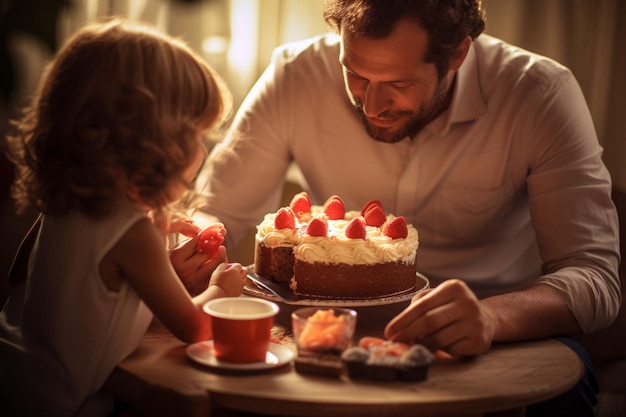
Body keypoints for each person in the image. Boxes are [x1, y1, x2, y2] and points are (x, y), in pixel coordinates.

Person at [176, 0, 620, 415]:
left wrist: (491, 317)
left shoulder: (537, 92)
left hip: (496, 328)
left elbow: (596, 277)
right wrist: (197, 241)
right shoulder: (296, 73)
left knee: (566, 395)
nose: (371, 105)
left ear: (458, 53)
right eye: (356, 76)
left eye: (400, 84)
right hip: (326, 323)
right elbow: (217, 211)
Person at [0, 19, 247, 416]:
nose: (201, 154)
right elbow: (196, 328)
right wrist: (222, 288)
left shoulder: (64, 200)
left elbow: (23, 278)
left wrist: (147, 259)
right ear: (151, 142)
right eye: (195, 137)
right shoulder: (134, 234)